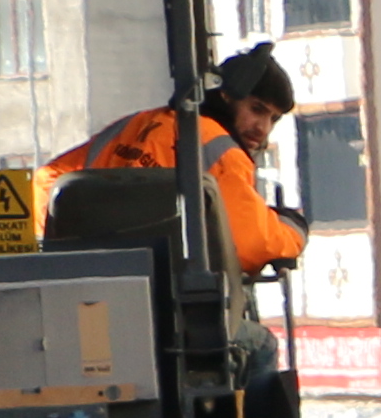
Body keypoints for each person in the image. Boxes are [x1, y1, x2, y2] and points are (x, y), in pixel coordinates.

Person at [52, 44, 310, 273]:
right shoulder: (222, 151)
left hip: (90, 281)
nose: (263, 128)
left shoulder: (133, 125)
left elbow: (48, 180)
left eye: (273, 119)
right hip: (170, 296)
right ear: (225, 96)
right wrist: (292, 229)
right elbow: (250, 246)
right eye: (256, 110)